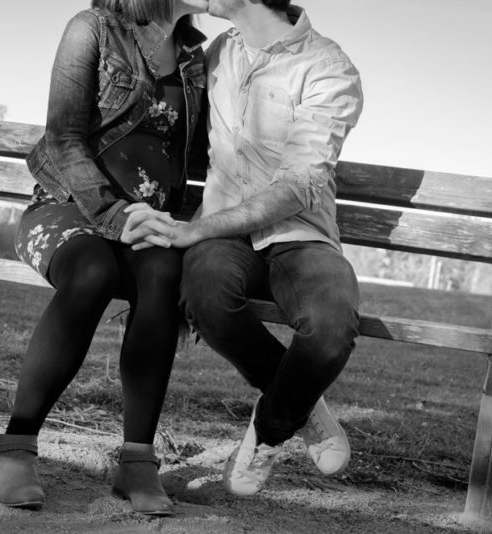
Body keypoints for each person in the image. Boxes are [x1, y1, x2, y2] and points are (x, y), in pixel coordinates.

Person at [125, 0, 363, 496]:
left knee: (331, 324)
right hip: (224, 238)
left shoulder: (328, 66)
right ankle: (302, 402)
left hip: (302, 235)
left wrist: (193, 230)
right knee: (205, 293)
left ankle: (272, 427)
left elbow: (301, 184)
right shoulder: (214, 54)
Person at [0, 0, 209, 516]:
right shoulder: (91, 30)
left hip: (149, 226)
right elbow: (63, 138)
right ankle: (16, 445)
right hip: (68, 208)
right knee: (92, 271)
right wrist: (114, 215)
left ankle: (137, 461)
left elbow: (203, 162)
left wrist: (191, 230)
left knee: (161, 273)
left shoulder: (198, 58)